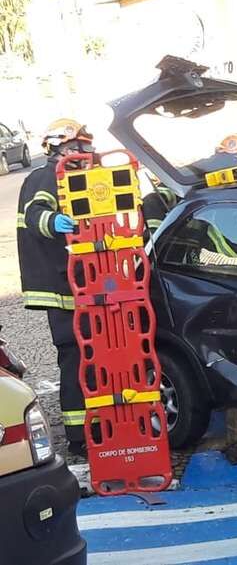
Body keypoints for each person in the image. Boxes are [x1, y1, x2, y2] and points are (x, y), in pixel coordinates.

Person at [16, 118, 94, 456]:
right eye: (74, 147)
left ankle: (88, 430)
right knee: (75, 357)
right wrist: (55, 222)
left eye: (83, 147)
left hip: (73, 286)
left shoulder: (72, 176)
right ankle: (79, 438)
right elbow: (36, 214)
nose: (80, 152)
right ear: (57, 146)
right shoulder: (46, 175)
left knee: (84, 356)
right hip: (60, 290)